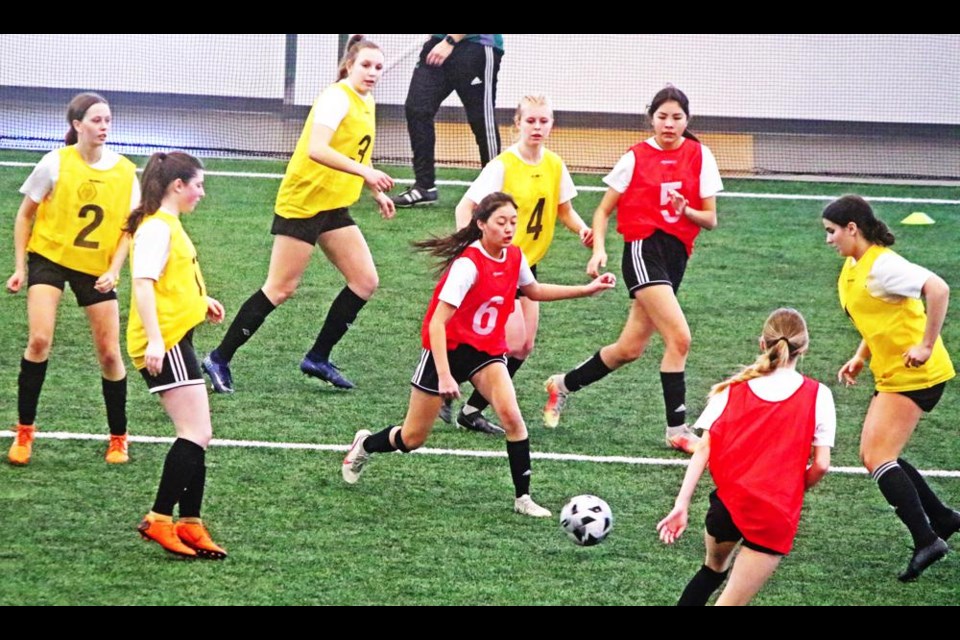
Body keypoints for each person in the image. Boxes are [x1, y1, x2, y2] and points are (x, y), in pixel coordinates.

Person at [341, 192, 615, 517]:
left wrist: (586, 290)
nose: (509, 228)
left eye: (513, 221)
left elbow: (534, 291)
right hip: (447, 350)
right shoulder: (467, 266)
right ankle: (365, 445)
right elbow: (438, 324)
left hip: (485, 353)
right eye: (501, 222)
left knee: (513, 419)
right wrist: (444, 374)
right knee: (412, 437)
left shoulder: (514, 257)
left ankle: (523, 498)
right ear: (481, 224)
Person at [202, 35, 395, 393]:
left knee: (365, 281)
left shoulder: (366, 101)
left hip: (332, 203)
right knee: (281, 287)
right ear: (349, 65)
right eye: (366, 65)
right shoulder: (336, 97)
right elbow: (317, 149)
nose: (372, 72)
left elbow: (357, 151)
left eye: (378, 67)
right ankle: (219, 357)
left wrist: (374, 189)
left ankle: (318, 357)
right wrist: (366, 173)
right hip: (304, 202)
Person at [541, 86, 723, 454]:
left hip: (676, 257)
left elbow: (710, 219)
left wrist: (685, 209)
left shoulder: (701, 156)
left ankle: (562, 385)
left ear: (687, 120)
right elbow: (603, 210)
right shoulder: (636, 157)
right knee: (680, 338)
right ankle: (677, 429)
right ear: (651, 117)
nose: (669, 124)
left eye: (676, 117)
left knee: (629, 349)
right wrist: (599, 250)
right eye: (662, 116)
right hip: (643, 250)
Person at [822, 195, 959, 581]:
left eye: (832, 232)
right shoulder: (854, 265)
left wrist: (927, 344)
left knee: (878, 455)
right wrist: (860, 356)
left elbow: (939, 289)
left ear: (853, 228)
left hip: (917, 374)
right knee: (876, 453)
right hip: (892, 372)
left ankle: (927, 540)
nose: (828, 240)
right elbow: (879, 313)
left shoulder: (884, 265)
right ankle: (943, 518)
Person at [657, 308, 834, 606]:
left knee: (712, 570)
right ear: (803, 348)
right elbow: (821, 464)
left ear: (761, 344)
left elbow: (703, 449)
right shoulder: (819, 395)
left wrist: (681, 504)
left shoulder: (733, 389)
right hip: (775, 515)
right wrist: (793, 487)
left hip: (728, 506)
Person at [442, 94, 593, 435]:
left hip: (527, 267)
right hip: (497, 269)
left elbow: (564, 209)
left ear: (552, 124)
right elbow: (464, 208)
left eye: (544, 121)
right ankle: (443, 381)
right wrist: (473, 252)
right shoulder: (503, 166)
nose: (537, 127)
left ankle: (470, 409)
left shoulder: (554, 164)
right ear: (518, 124)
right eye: (531, 121)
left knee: (523, 346)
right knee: (506, 342)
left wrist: (582, 229)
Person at [6, 92, 139, 466]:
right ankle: (24, 433)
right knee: (39, 339)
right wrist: (21, 267)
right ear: (77, 125)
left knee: (111, 353)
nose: (104, 127)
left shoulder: (126, 172)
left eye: (108, 120)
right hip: (49, 258)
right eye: (96, 120)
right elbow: (24, 216)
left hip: (95, 268)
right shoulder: (54, 163)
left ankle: (118, 437)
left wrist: (114, 270)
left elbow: (130, 229)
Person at [128, 152, 227, 559]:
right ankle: (159, 518)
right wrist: (154, 340)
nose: (202, 193)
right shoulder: (156, 229)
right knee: (195, 434)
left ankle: (190, 522)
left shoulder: (169, 225)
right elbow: (143, 284)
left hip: (175, 336)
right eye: (198, 185)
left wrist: (202, 300)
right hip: (164, 341)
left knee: (199, 435)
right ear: (178, 185)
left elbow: (173, 279)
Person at [392, 34, 504, 208]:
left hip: (476, 45)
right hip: (439, 42)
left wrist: (451, 40)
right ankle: (424, 187)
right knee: (417, 108)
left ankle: (494, 194)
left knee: (481, 119)